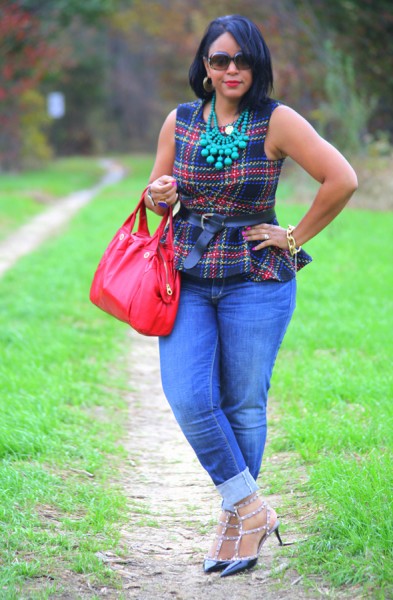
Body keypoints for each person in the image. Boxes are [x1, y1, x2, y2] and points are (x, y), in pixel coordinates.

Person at [143, 14, 357, 577]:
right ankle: (249, 506)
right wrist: (159, 193)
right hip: (187, 273)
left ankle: (235, 521)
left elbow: (342, 179)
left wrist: (292, 236)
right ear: (205, 68)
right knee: (189, 395)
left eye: (242, 59)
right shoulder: (181, 121)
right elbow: (159, 201)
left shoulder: (277, 120)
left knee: (242, 402)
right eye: (220, 59)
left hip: (256, 279)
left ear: (256, 64)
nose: (231, 68)